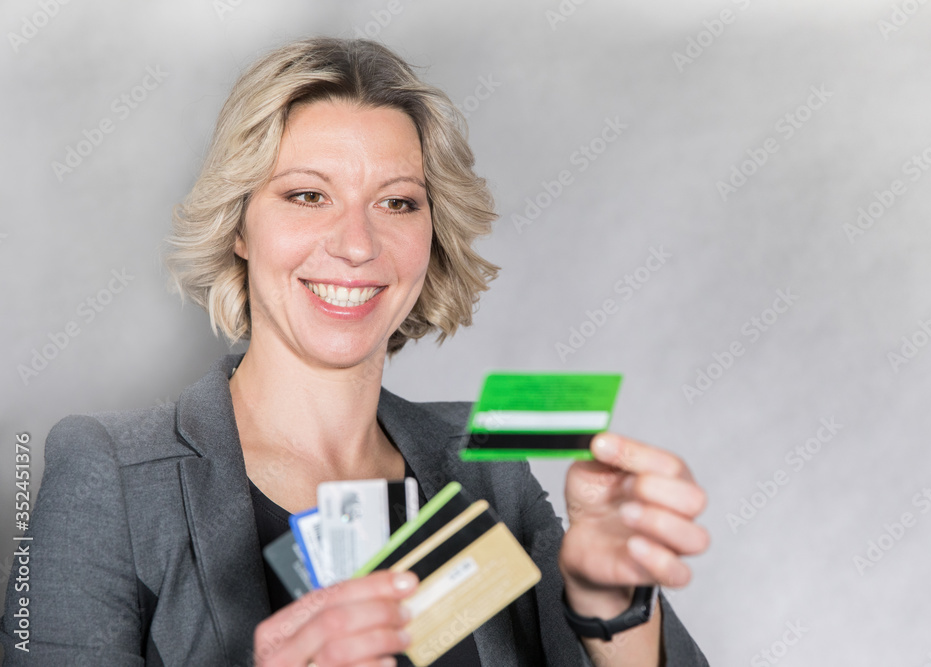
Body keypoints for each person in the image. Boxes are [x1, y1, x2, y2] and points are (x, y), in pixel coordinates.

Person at [0, 37, 710, 666]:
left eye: (397, 202)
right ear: (240, 227)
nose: (358, 244)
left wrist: (615, 613)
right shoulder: (106, 472)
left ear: (433, 234)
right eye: (308, 195)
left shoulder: (487, 467)